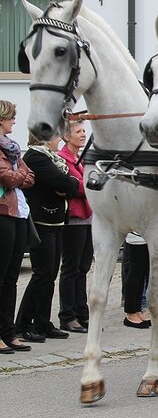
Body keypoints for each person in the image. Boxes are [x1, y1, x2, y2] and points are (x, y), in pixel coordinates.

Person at [15, 133, 78, 343]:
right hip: (42, 221)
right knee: (42, 274)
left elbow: (70, 186)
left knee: (50, 274)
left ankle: (42, 322)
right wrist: (66, 185)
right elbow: (63, 182)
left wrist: (67, 186)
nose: (59, 139)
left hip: (57, 220)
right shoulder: (36, 157)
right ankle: (23, 323)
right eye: (55, 135)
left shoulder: (50, 157)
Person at [0, 100, 36, 353]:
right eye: (11, 117)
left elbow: (29, 177)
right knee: (1, 277)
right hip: (3, 213)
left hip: (19, 214)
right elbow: (8, 177)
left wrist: (18, 176)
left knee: (12, 278)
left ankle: (8, 331)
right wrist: (19, 176)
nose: (14, 121)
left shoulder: (12, 149)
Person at [58, 120, 92, 333]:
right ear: (66, 136)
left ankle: (82, 312)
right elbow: (79, 186)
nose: (82, 134)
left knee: (83, 268)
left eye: (83, 130)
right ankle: (67, 315)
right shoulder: (64, 159)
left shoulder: (82, 159)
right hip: (74, 219)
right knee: (71, 268)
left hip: (87, 218)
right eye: (78, 131)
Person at [121, 233, 151, 329]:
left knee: (142, 274)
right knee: (135, 272)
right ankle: (130, 312)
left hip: (145, 235)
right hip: (136, 236)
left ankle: (137, 309)